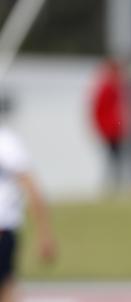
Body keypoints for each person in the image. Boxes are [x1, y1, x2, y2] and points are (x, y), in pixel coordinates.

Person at [0, 96, 56, 302]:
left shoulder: (5, 142)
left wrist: (44, 233)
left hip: (3, 229)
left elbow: (31, 185)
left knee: (6, 287)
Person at [90, 57, 131, 190]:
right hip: (111, 130)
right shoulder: (109, 86)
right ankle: (113, 185)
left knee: (115, 158)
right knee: (114, 158)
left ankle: (114, 184)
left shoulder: (114, 86)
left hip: (115, 129)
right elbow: (100, 110)